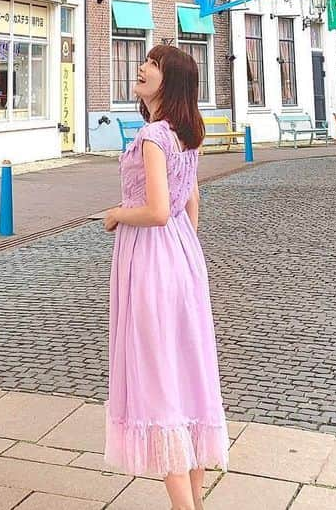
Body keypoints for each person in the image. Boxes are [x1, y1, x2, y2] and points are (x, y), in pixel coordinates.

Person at [102, 44, 228, 509]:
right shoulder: (184, 135)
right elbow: (190, 206)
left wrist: (116, 214)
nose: (142, 67)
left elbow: (155, 210)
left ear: (167, 80)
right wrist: (181, 249)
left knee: (157, 381)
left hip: (150, 257)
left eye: (152, 65)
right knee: (187, 377)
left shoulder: (154, 137)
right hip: (182, 256)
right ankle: (195, 503)